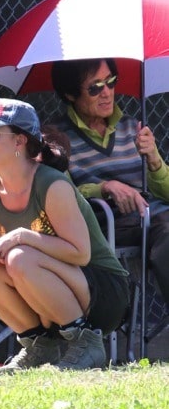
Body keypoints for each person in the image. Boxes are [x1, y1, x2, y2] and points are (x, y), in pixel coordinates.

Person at [0, 98, 130, 371]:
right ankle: (40, 347)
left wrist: (20, 236)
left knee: (20, 256)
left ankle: (86, 343)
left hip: (102, 294)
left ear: (19, 141)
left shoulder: (52, 184)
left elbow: (80, 253)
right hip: (45, 292)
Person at [50, 58, 169, 307]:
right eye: (95, 88)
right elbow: (61, 194)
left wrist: (154, 160)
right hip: (108, 224)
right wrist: (104, 188)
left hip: (153, 218)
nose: (107, 93)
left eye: (111, 82)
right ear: (70, 93)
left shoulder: (133, 128)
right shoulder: (55, 138)